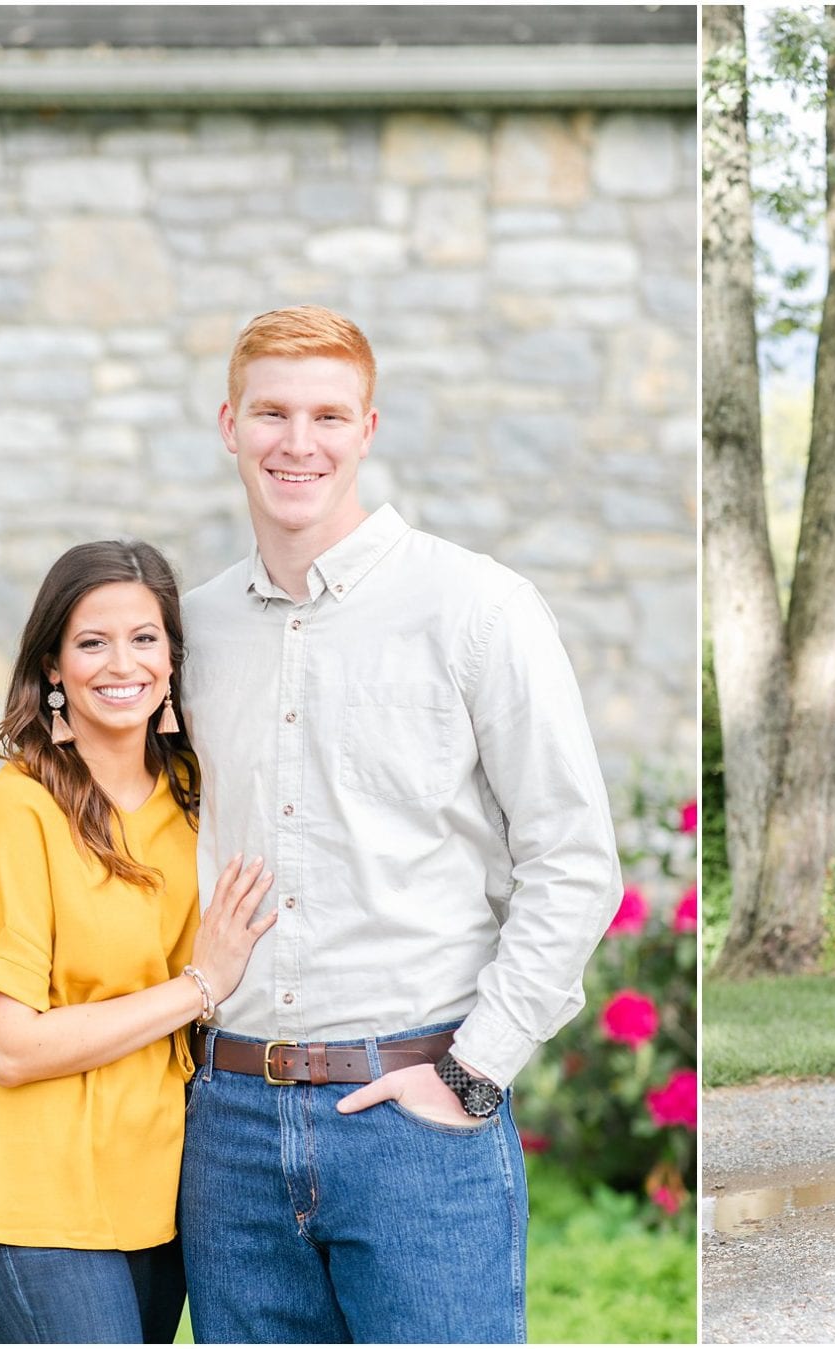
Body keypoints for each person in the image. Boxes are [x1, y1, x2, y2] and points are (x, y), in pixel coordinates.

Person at [176, 305, 621, 1343]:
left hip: (413, 1119)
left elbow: (571, 857)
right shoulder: (192, 630)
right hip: (229, 1126)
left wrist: (475, 1069)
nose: (299, 441)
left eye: (328, 413)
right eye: (272, 412)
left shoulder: (476, 607)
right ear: (228, 423)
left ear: (367, 428)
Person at [0, 540, 276, 1343]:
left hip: (160, 1189)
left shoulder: (196, 796)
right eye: (92, 641)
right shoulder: (22, 808)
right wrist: (199, 985)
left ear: (174, 659)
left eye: (145, 638)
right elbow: (12, 1046)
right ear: (53, 665)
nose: (124, 663)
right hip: (36, 1190)